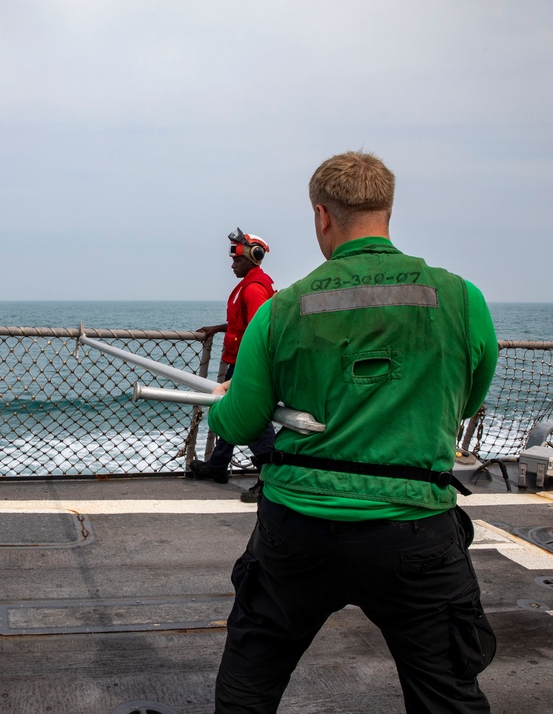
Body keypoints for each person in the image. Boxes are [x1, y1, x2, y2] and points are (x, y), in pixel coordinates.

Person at [207, 151, 499, 713]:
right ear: (387, 210)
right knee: (447, 697)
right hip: (415, 531)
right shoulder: (463, 299)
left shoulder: (282, 308)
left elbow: (242, 422)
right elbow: (468, 401)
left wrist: (224, 403)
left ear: (322, 216)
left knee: (248, 690)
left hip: (297, 532)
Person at [191, 229, 276, 502]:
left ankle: (268, 480)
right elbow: (245, 323)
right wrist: (218, 328)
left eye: (237, 261)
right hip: (241, 362)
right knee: (228, 411)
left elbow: (260, 329)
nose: (232, 265)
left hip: (248, 364)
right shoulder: (250, 285)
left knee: (252, 419)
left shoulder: (253, 289)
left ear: (253, 258)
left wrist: (252, 369)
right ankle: (218, 466)